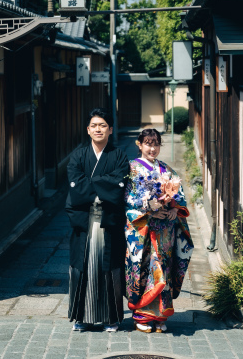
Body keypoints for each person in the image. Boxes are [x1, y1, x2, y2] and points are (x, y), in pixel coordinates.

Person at [66, 107, 129, 332]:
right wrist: (103, 185)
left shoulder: (119, 156)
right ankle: (82, 318)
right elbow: (75, 185)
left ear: (110, 130)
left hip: (108, 221)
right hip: (84, 221)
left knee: (109, 267)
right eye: (94, 125)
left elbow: (119, 183)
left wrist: (91, 185)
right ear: (88, 130)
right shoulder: (78, 156)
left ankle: (111, 318)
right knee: (82, 267)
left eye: (103, 125)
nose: (98, 129)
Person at [124, 128, 193, 333]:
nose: (152, 148)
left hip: (166, 231)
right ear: (139, 144)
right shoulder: (132, 169)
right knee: (146, 269)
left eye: (156, 144)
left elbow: (178, 195)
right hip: (144, 229)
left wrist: (174, 209)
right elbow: (128, 198)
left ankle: (161, 314)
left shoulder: (167, 170)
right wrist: (149, 210)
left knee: (165, 268)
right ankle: (143, 315)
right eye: (148, 143)